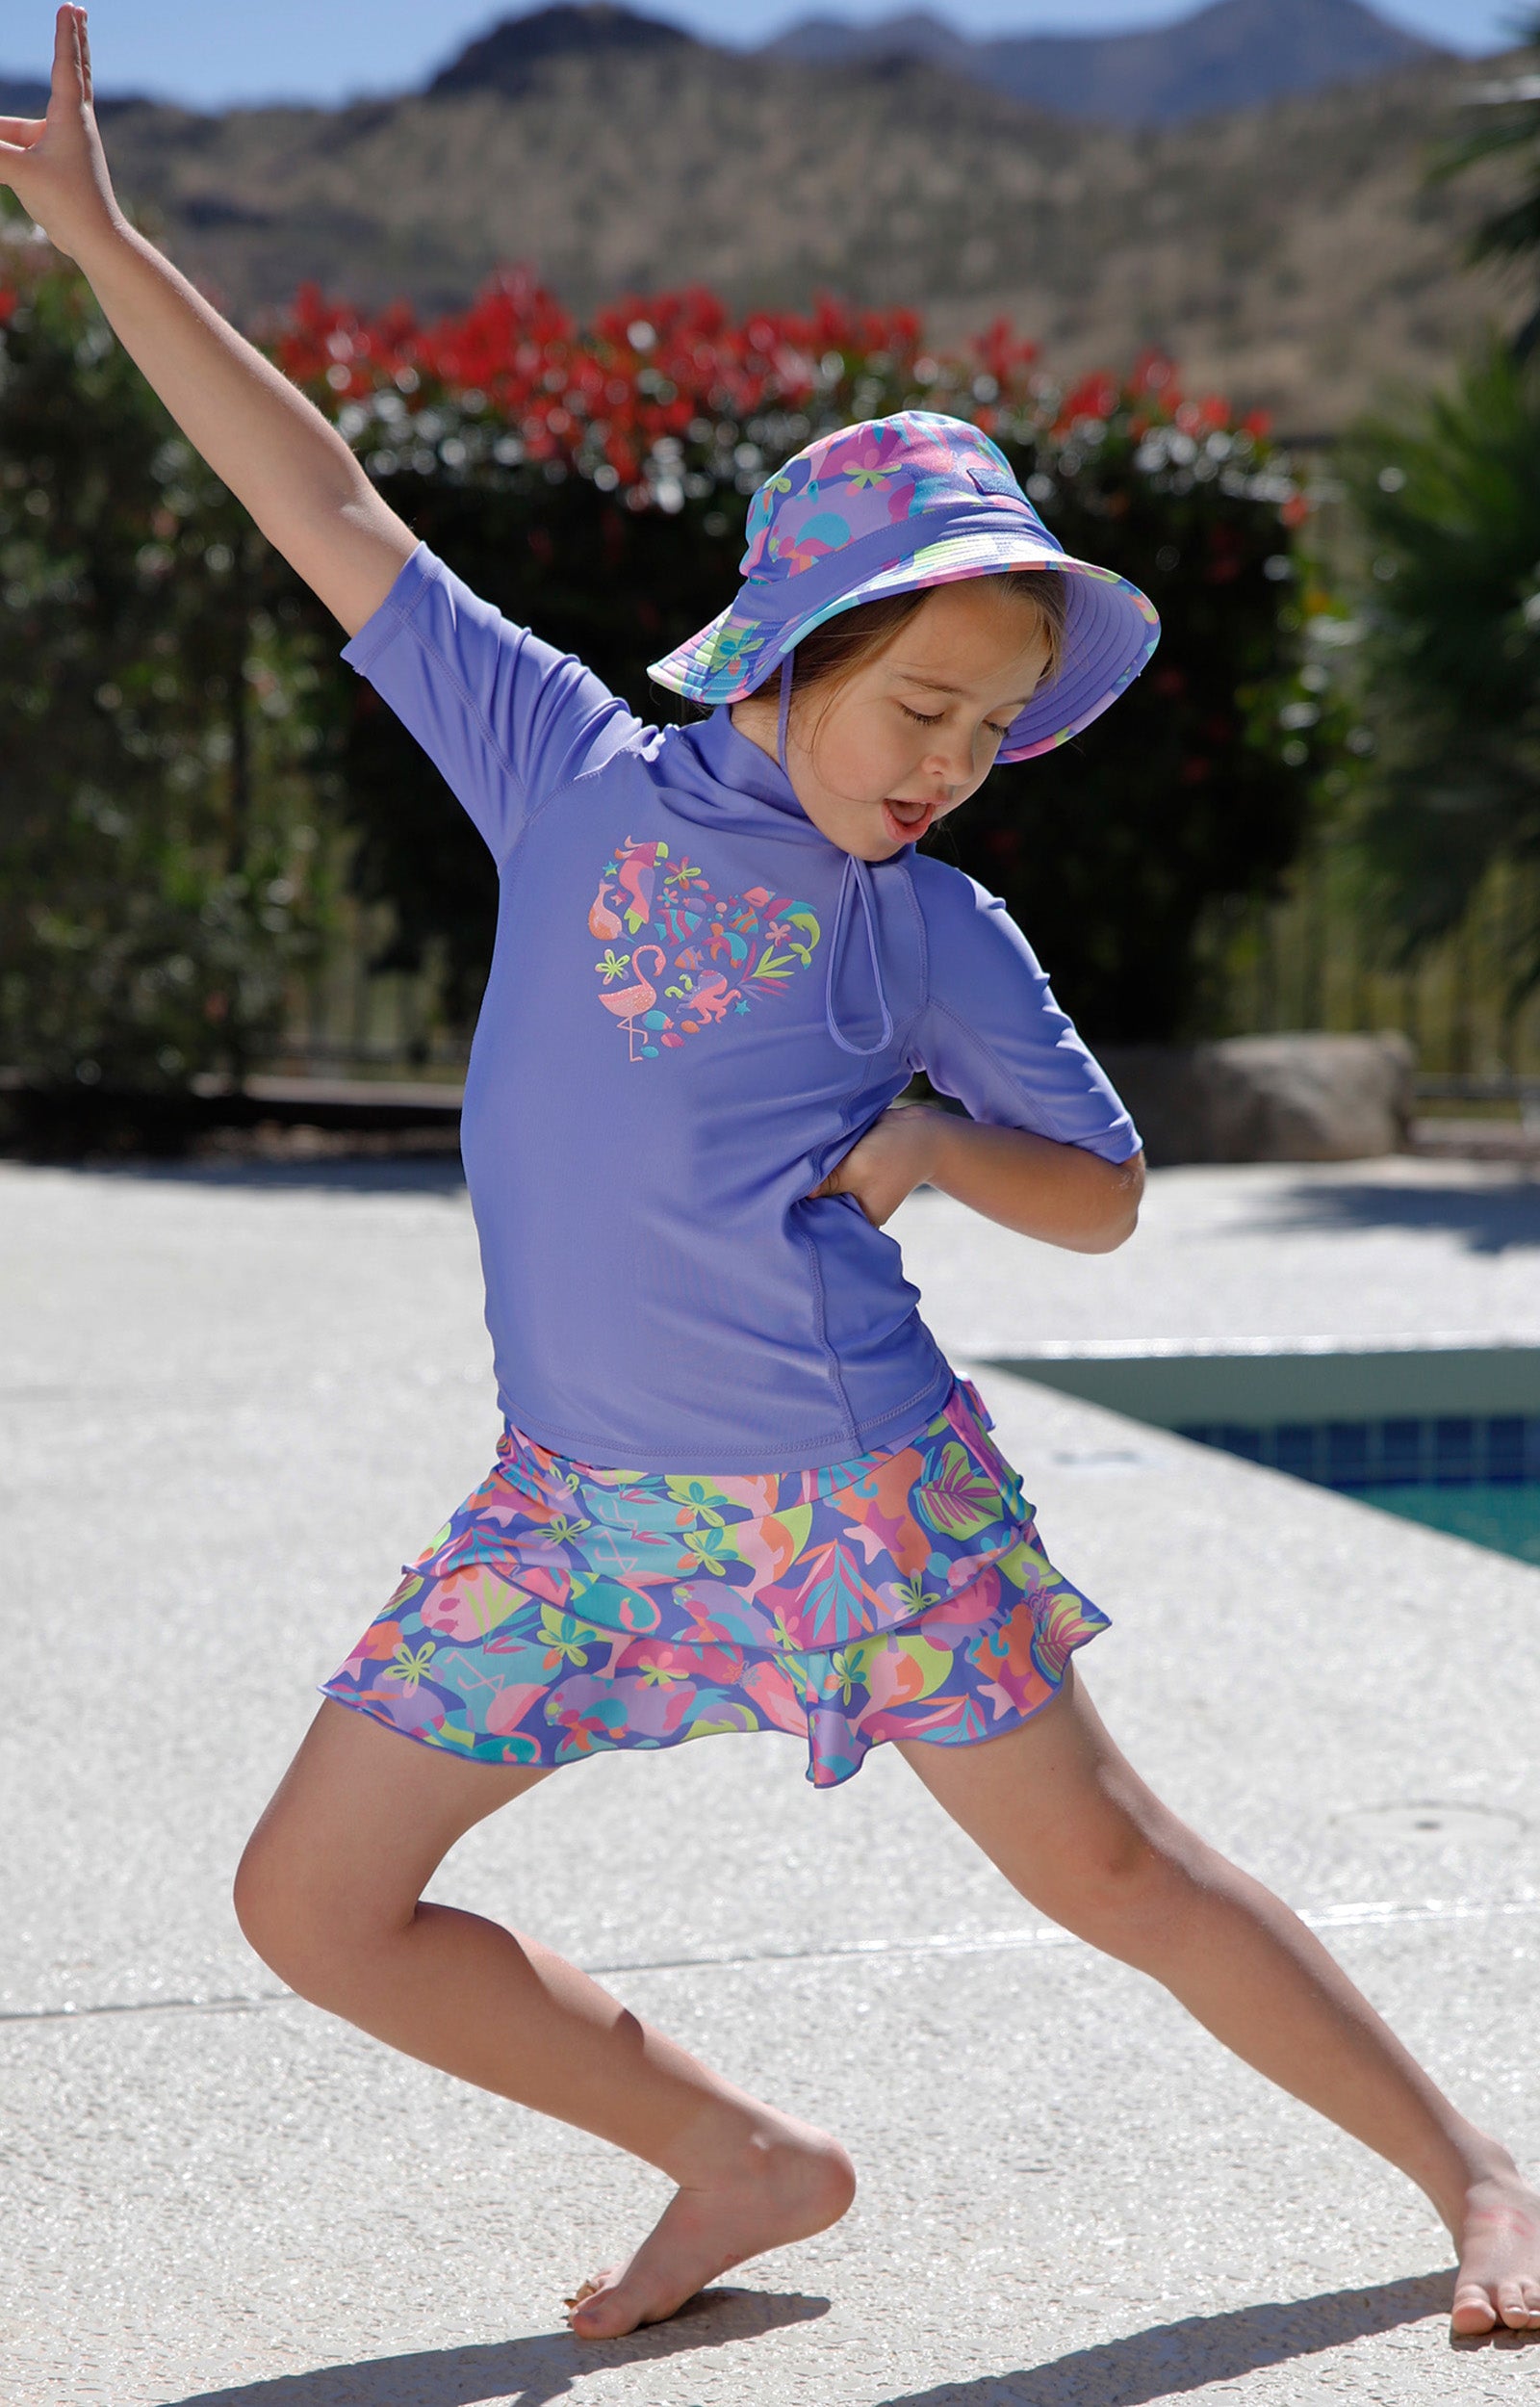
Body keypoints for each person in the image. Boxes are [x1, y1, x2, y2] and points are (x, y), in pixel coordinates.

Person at [6, 6, 1536, 2347]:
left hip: (854, 1491)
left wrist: (930, 1144)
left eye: (993, 730)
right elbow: (325, 498)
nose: (950, 765)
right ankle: (739, 2152)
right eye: (918, 707)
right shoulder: (563, 762)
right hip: (571, 1505)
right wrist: (103, 245)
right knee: (310, 1903)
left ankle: (1474, 2166)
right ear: (791, 654)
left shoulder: (929, 920)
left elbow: (1104, 1192)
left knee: (1109, 1860)